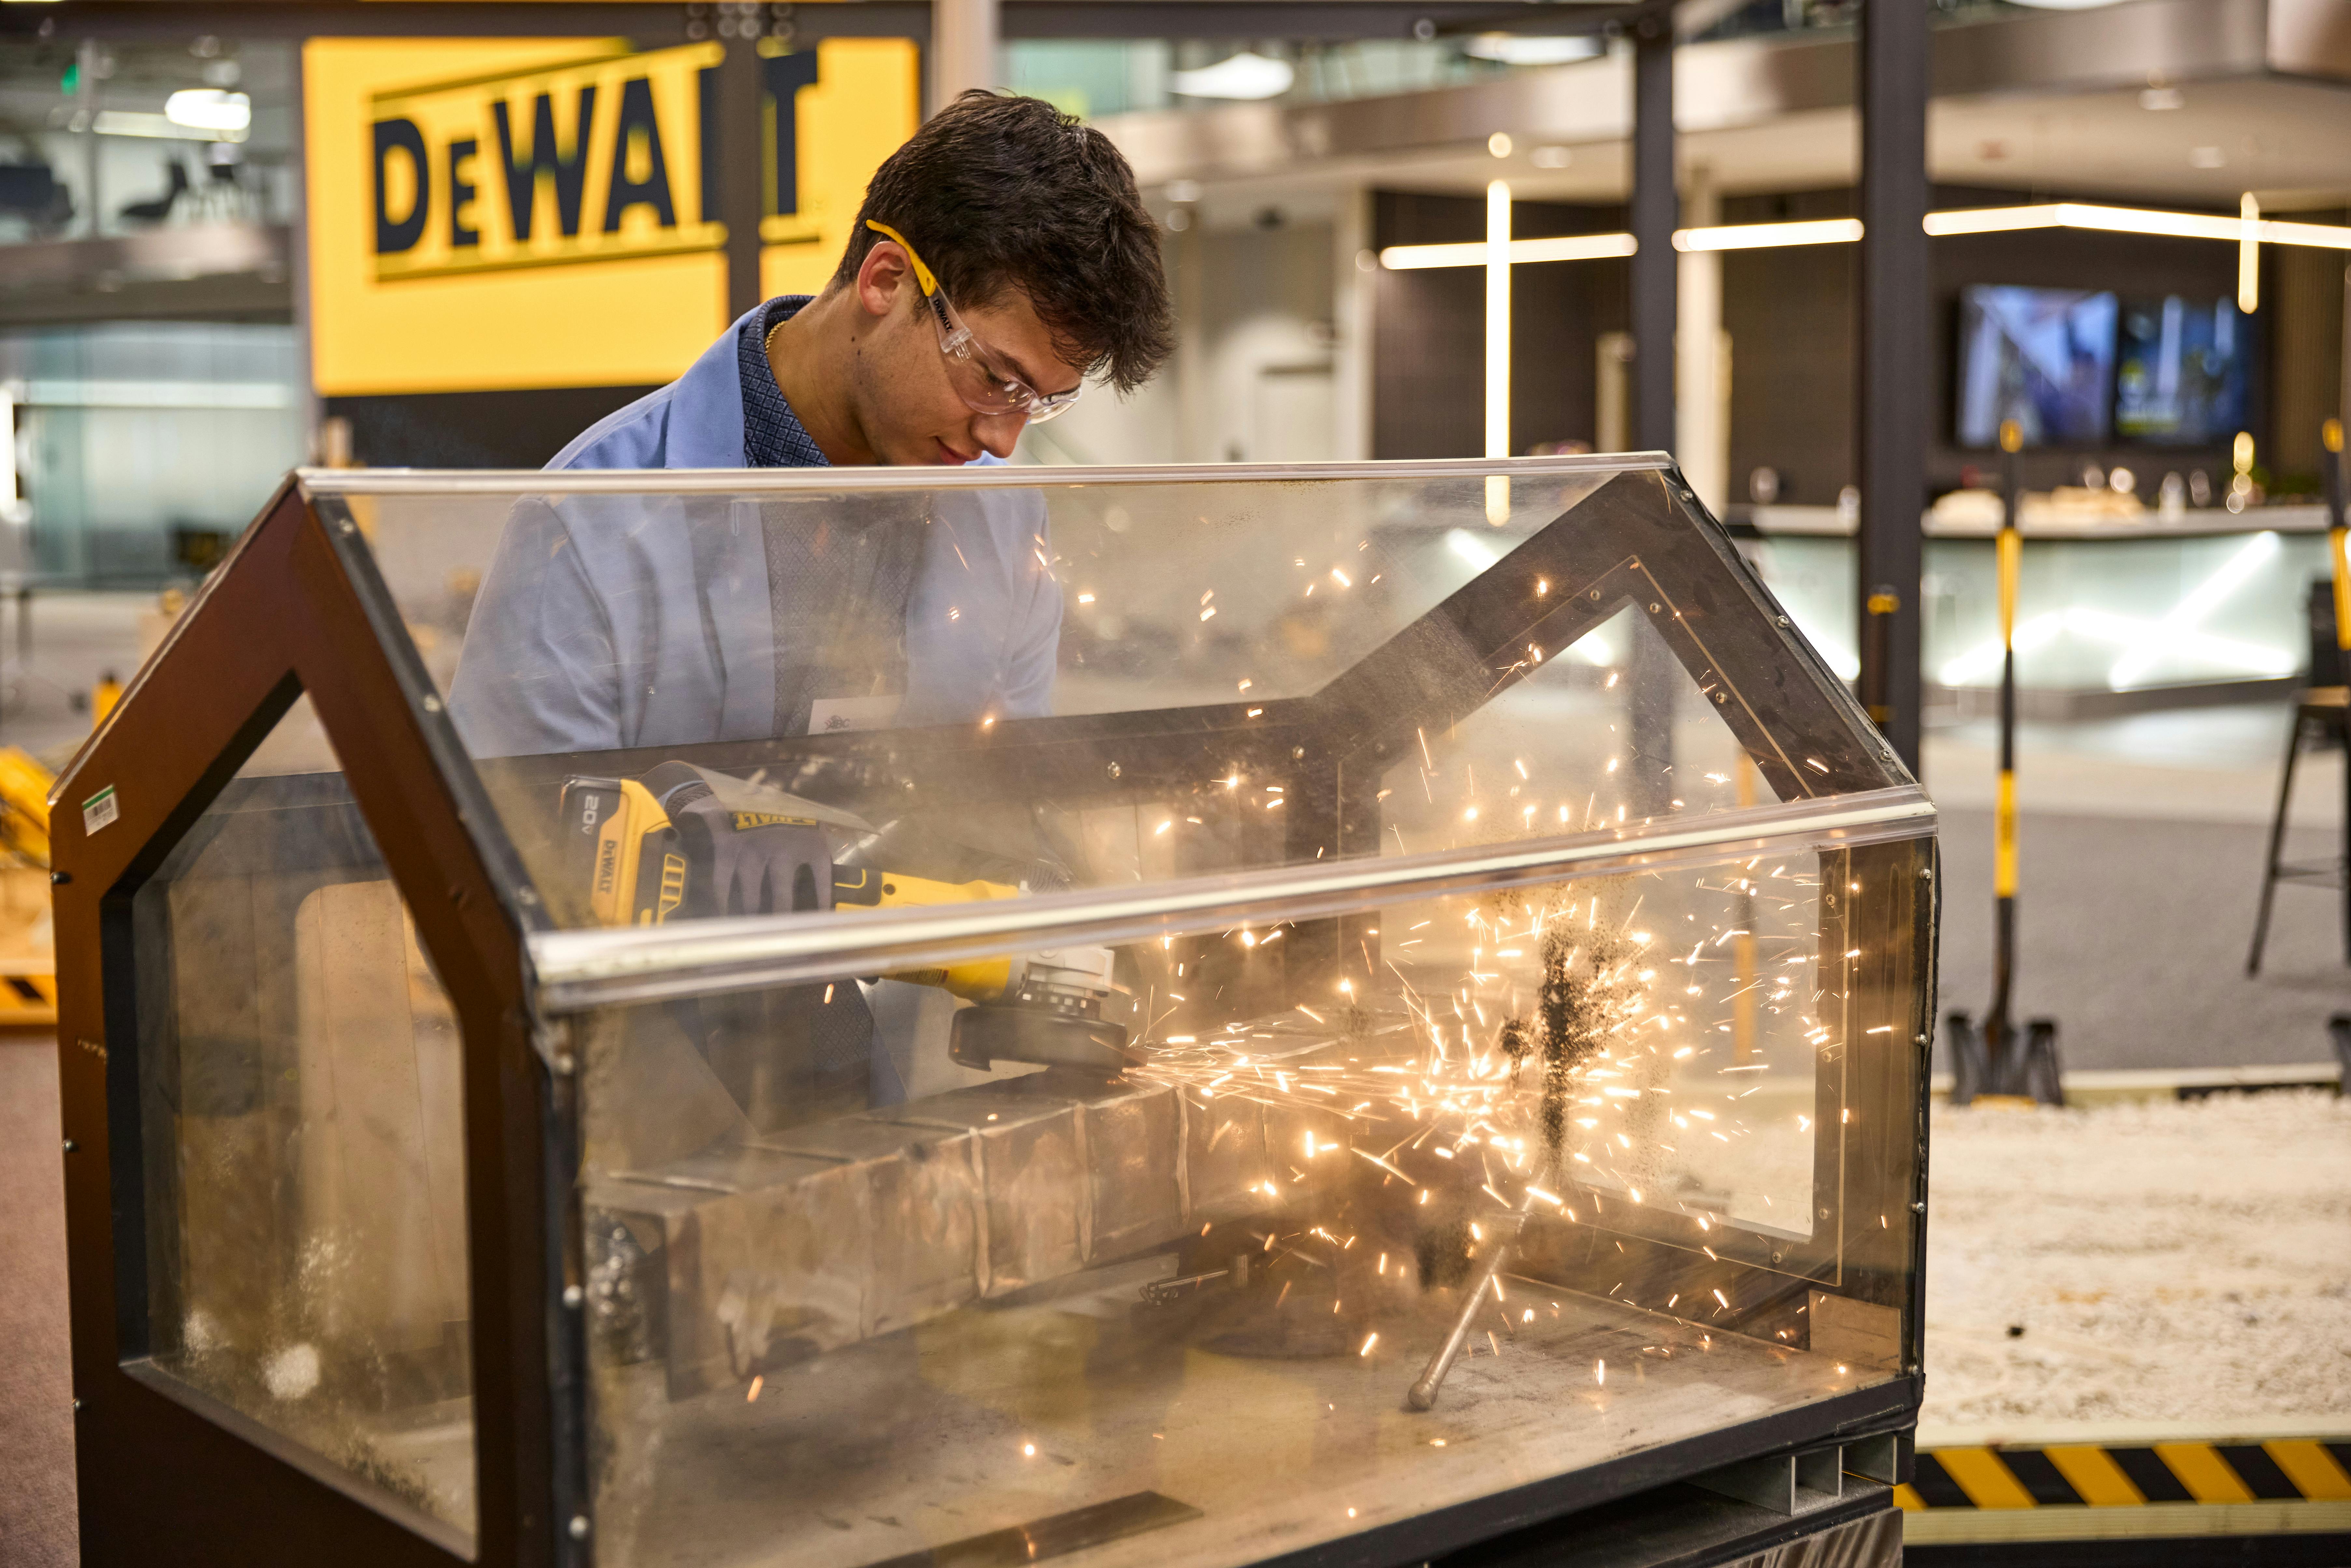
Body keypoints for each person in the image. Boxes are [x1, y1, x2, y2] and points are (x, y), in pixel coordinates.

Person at [448, 90, 1173, 759]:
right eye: (992, 378)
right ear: (887, 280)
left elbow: (1006, 810)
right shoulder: (590, 519)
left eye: (1040, 402)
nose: (1002, 440)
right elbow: (522, 851)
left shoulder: (1006, 520)